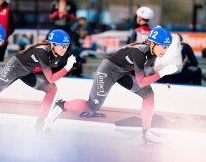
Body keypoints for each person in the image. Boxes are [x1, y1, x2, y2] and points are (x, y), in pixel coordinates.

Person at [47, 26, 178, 143]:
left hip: (122, 72)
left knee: (148, 94)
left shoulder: (152, 52)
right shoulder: (140, 53)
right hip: (108, 71)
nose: (165, 50)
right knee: (92, 107)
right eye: (163, 46)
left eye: (167, 47)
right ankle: (61, 105)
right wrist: (163, 73)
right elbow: (141, 81)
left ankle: (146, 132)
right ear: (153, 43)